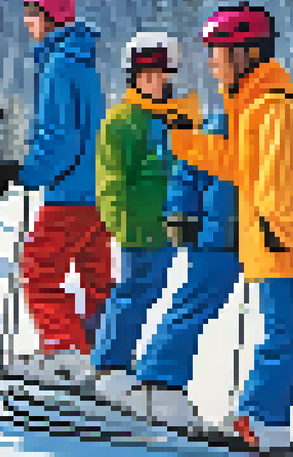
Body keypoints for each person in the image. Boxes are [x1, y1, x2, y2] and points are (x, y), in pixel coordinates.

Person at [166, 3, 293, 454]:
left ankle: (258, 419)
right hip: (279, 238)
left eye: (217, 52)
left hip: (281, 240)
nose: (211, 61)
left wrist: (281, 227)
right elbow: (241, 166)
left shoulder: (272, 106)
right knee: (289, 333)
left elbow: (284, 175)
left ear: (245, 54)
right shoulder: (256, 105)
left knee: (288, 334)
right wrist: (187, 142)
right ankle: (259, 419)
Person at [0, 0, 110, 387]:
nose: (27, 21)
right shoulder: (82, 62)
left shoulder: (60, 66)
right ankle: (103, 355)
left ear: (52, 17)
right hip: (95, 194)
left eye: (33, 13)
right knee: (96, 279)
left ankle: (65, 353)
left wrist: (25, 171)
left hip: (69, 194)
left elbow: (60, 138)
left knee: (40, 270)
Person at [89, 33, 199, 403]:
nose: (154, 81)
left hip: (167, 228)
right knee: (132, 293)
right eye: (145, 74)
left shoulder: (176, 118)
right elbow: (110, 178)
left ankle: (120, 359)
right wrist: (121, 222)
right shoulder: (123, 121)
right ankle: (109, 364)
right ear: (132, 75)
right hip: (137, 226)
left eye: (160, 74)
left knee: (149, 294)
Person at [126, 108, 239, 429]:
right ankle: (157, 384)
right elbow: (186, 170)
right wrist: (180, 212)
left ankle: (156, 381)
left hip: (235, 237)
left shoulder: (254, 124)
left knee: (198, 304)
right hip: (214, 234)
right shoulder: (222, 123)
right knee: (193, 304)